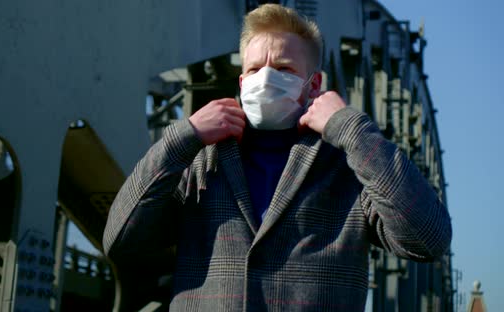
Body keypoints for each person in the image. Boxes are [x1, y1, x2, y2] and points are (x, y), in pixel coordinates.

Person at [103, 3, 452, 311]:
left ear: (313, 86)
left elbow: (428, 238)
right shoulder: (202, 161)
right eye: (255, 70)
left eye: (284, 69)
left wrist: (351, 129)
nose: (266, 79)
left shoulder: (346, 167)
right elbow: (120, 240)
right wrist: (183, 137)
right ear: (241, 82)